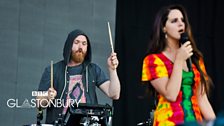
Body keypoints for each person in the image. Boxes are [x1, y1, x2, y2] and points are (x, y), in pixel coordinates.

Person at [141, 4, 216, 126]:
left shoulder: (196, 59)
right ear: (163, 28)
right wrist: (179, 60)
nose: (181, 24)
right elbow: (171, 94)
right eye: (174, 21)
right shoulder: (152, 60)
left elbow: (202, 100)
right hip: (168, 121)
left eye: (182, 20)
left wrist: (215, 123)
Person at [36, 29, 120, 124]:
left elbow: (114, 94)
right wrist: (47, 96)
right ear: (69, 45)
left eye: (84, 44)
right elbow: (39, 103)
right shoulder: (52, 70)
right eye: (76, 43)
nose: (80, 47)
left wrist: (112, 70)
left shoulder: (93, 69)